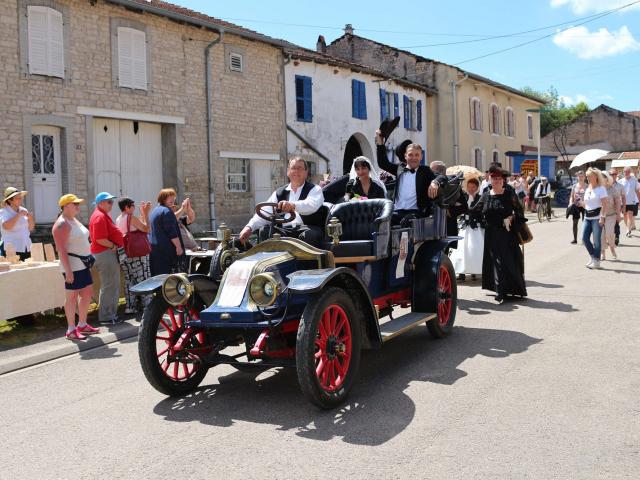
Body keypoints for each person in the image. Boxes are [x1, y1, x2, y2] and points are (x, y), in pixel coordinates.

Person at [239, 158, 325, 248]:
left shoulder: (315, 189)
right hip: (285, 230)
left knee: (309, 235)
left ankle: (306, 262)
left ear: (306, 173)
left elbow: (311, 205)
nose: (296, 171)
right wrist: (249, 228)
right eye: (293, 168)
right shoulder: (279, 192)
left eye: (300, 168)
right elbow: (264, 212)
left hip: (307, 228)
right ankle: (273, 261)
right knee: (264, 231)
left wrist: (292, 205)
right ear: (288, 172)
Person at [473, 165, 527, 303]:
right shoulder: (485, 195)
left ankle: (510, 289)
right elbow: (475, 211)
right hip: (491, 234)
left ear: (503, 180)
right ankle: (500, 290)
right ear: (490, 179)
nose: (496, 181)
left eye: (499, 178)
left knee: (507, 261)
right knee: (495, 261)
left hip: (507, 234)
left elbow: (519, 211)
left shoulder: (509, 194)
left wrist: (511, 218)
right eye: (494, 178)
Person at [52, 194, 100, 340]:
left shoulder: (72, 219)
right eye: (75, 204)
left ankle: (82, 324)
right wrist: (68, 272)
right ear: (66, 206)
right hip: (72, 266)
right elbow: (61, 250)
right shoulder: (62, 224)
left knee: (87, 293)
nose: (78, 206)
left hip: (82, 264)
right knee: (71, 297)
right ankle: (71, 329)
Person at [374, 130, 443, 225]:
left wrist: (435, 182)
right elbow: (383, 163)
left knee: (406, 223)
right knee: (379, 221)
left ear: (421, 156)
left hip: (416, 213)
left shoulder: (425, 171)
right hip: (397, 211)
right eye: (410, 155)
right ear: (405, 156)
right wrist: (380, 143)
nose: (413, 158)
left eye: (417, 155)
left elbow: (442, 177)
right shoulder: (399, 169)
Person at [89, 192, 124, 324]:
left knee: (110, 284)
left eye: (112, 201)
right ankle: (106, 316)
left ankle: (109, 314)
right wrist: (112, 246)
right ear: (101, 203)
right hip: (105, 253)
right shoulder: (99, 216)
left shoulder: (101, 215)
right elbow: (100, 238)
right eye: (109, 202)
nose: (111, 204)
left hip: (105, 253)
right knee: (109, 284)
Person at [116, 197, 152, 314]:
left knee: (129, 280)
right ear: (126, 207)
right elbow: (147, 229)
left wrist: (142, 213)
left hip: (125, 254)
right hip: (138, 254)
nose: (134, 207)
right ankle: (148, 306)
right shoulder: (131, 218)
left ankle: (130, 307)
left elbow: (137, 226)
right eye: (132, 205)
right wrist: (146, 214)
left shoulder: (118, 219)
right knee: (144, 278)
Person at [450, 177, 484, 281]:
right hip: (464, 226)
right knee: (461, 248)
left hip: (475, 227)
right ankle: (461, 272)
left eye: (473, 187)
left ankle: (474, 271)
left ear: (477, 188)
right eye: (469, 187)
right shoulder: (463, 197)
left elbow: (481, 211)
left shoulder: (480, 198)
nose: (471, 189)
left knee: (474, 248)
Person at [149, 188, 186, 275]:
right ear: (163, 198)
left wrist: (183, 209)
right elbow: (171, 232)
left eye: (174, 197)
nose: (173, 199)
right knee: (172, 280)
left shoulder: (155, 211)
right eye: (170, 197)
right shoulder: (167, 211)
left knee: (158, 278)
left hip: (155, 251)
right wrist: (178, 246)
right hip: (167, 252)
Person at [582, 168, 609, 269]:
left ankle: (596, 261)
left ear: (596, 177)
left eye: (589, 176)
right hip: (587, 216)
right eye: (587, 176)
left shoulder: (601, 188)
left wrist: (602, 217)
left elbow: (605, 204)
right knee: (584, 238)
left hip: (597, 217)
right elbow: (586, 204)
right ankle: (593, 257)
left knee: (597, 241)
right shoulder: (588, 188)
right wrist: (580, 203)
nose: (587, 178)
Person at [0, 187, 34, 260]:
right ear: (10, 200)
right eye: (17, 198)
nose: (20, 200)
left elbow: (30, 228)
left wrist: (31, 219)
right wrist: (18, 215)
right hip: (11, 249)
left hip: (26, 247)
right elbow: (6, 227)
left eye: (20, 197)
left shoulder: (24, 210)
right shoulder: (4, 212)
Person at [600, 172, 621, 261]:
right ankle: (602, 254)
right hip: (600, 215)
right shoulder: (598, 189)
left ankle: (612, 248)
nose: (601, 179)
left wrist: (618, 214)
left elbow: (618, 202)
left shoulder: (612, 189)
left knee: (609, 233)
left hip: (611, 215)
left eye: (603, 177)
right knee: (601, 235)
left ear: (607, 178)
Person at [619, 167, 640, 237]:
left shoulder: (634, 180)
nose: (626, 173)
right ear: (623, 172)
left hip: (632, 201)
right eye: (625, 171)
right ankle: (628, 227)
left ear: (630, 172)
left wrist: (639, 200)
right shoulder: (620, 181)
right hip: (623, 202)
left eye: (628, 171)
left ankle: (628, 230)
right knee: (625, 215)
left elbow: (637, 191)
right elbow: (618, 193)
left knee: (630, 215)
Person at [568, 171, 587, 244]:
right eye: (579, 176)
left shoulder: (587, 186)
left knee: (585, 223)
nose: (580, 178)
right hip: (576, 206)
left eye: (582, 176)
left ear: (584, 177)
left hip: (585, 206)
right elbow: (571, 196)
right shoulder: (574, 186)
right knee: (575, 223)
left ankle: (584, 238)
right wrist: (570, 203)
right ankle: (575, 239)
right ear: (577, 177)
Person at [608, 169, 625, 246]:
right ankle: (609, 237)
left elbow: (624, 197)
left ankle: (616, 237)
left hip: (617, 208)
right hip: (607, 208)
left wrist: (624, 207)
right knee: (608, 224)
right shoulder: (605, 186)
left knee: (616, 223)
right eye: (611, 174)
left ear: (616, 175)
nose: (613, 176)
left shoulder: (620, 186)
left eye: (614, 174)